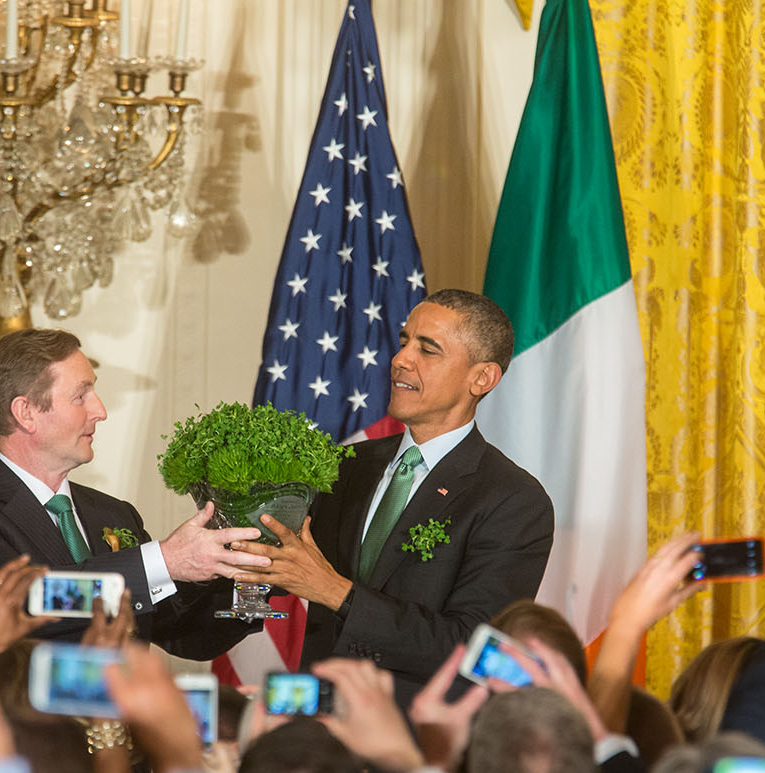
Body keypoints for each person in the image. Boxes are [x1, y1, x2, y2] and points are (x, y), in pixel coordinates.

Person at [235, 290, 555, 706]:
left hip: (417, 746)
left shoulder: (513, 500)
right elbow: (278, 575)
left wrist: (335, 591)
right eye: (404, 341)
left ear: (482, 378)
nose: (400, 359)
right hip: (314, 732)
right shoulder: (344, 465)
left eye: (428, 349)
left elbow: (471, 648)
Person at [0, 328, 271, 655]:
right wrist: (164, 561)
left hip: (119, 725)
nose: (100, 411)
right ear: (26, 413)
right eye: (81, 396)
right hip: (13, 725)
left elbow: (178, 630)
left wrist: (246, 576)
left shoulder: (114, 514)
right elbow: (29, 601)